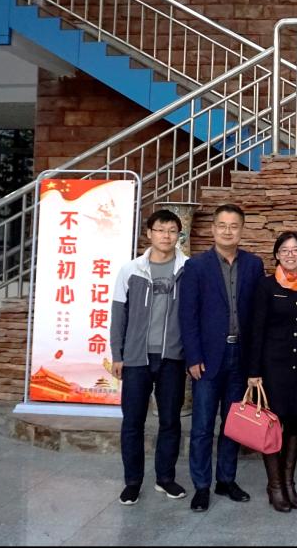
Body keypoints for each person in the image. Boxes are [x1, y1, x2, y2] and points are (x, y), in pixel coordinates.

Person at [179, 204, 265, 513]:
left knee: (233, 424)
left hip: (241, 356)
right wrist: (193, 356)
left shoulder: (254, 265)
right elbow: (187, 315)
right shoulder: (196, 266)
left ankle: (226, 480)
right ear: (213, 229)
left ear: (242, 230)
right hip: (207, 358)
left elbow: (258, 316)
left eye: (234, 226)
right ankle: (202, 486)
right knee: (202, 426)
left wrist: (255, 362)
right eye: (223, 225)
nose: (228, 231)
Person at [110, 209, 189, 506]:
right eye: (160, 230)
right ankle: (132, 482)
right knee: (133, 421)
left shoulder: (188, 268)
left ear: (179, 235)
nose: (166, 236)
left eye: (172, 231)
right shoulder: (131, 270)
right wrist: (117, 355)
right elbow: (119, 315)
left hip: (172, 357)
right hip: (135, 359)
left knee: (170, 421)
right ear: (149, 233)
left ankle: (165, 478)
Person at [247, 231, 297, 513]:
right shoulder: (266, 286)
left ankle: (289, 483)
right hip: (272, 368)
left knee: (293, 426)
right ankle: (274, 485)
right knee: (272, 426)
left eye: (295, 250)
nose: (290, 254)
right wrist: (253, 371)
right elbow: (256, 330)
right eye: (285, 250)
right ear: (276, 254)